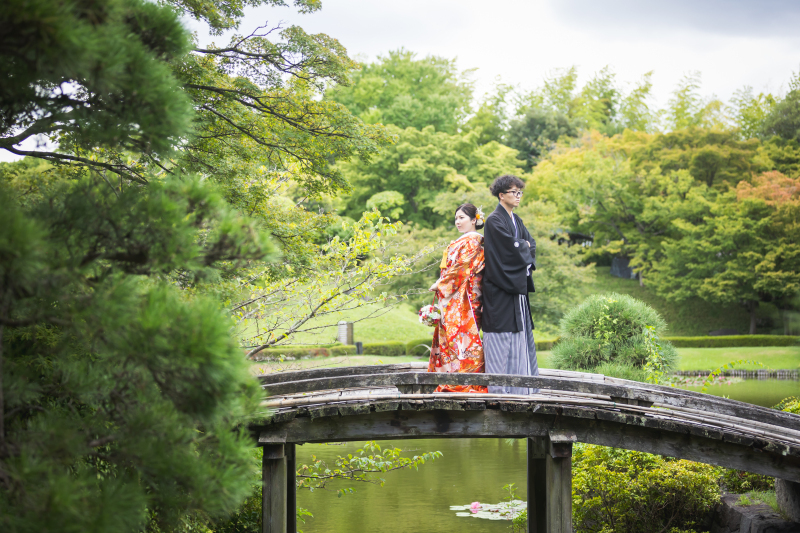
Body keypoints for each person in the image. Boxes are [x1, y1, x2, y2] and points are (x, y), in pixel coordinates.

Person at [482, 175, 539, 395]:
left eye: (520, 192)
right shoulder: (494, 220)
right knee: (500, 338)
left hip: (516, 287)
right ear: (501, 195)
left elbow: (531, 244)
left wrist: (522, 245)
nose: (518, 196)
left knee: (519, 337)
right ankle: (498, 391)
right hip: (500, 287)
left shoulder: (516, 220)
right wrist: (522, 246)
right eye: (514, 192)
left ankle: (521, 390)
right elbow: (510, 249)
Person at [427, 203, 488, 393]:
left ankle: (468, 382)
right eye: (456, 218)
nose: (458, 222)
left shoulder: (474, 241)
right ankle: (451, 378)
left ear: (474, 220)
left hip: (465, 298)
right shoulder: (462, 241)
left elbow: (462, 267)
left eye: (462, 217)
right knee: (451, 337)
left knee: (463, 337)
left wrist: (440, 283)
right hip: (453, 296)